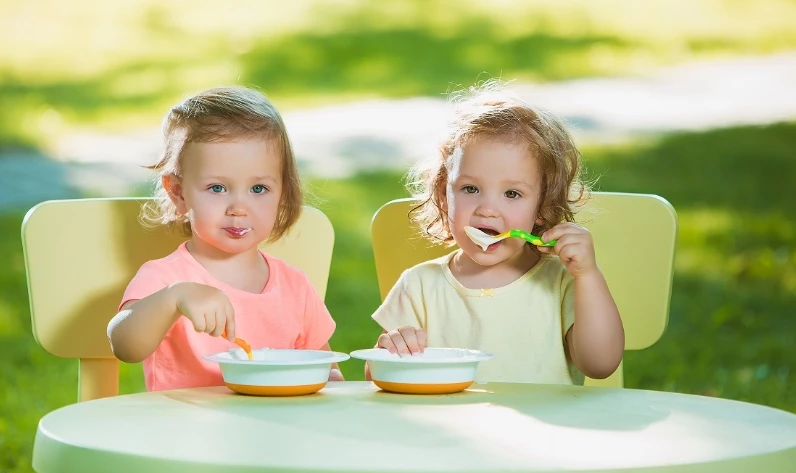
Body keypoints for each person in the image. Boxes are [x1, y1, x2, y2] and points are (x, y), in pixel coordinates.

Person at [370, 80, 624, 384]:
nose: (487, 209)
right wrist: (391, 352)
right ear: (443, 194)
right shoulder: (419, 286)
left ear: (543, 206)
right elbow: (377, 378)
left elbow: (600, 365)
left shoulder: (563, 282)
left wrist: (589, 276)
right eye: (470, 188)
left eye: (512, 194)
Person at [107, 86, 342, 391]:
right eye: (217, 188)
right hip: (186, 433)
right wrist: (173, 298)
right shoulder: (167, 278)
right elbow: (124, 345)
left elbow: (326, 373)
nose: (239, 209)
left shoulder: (295, 286)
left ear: (282, 192)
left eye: (259, 189)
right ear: (178, 192)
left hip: (279, 434)